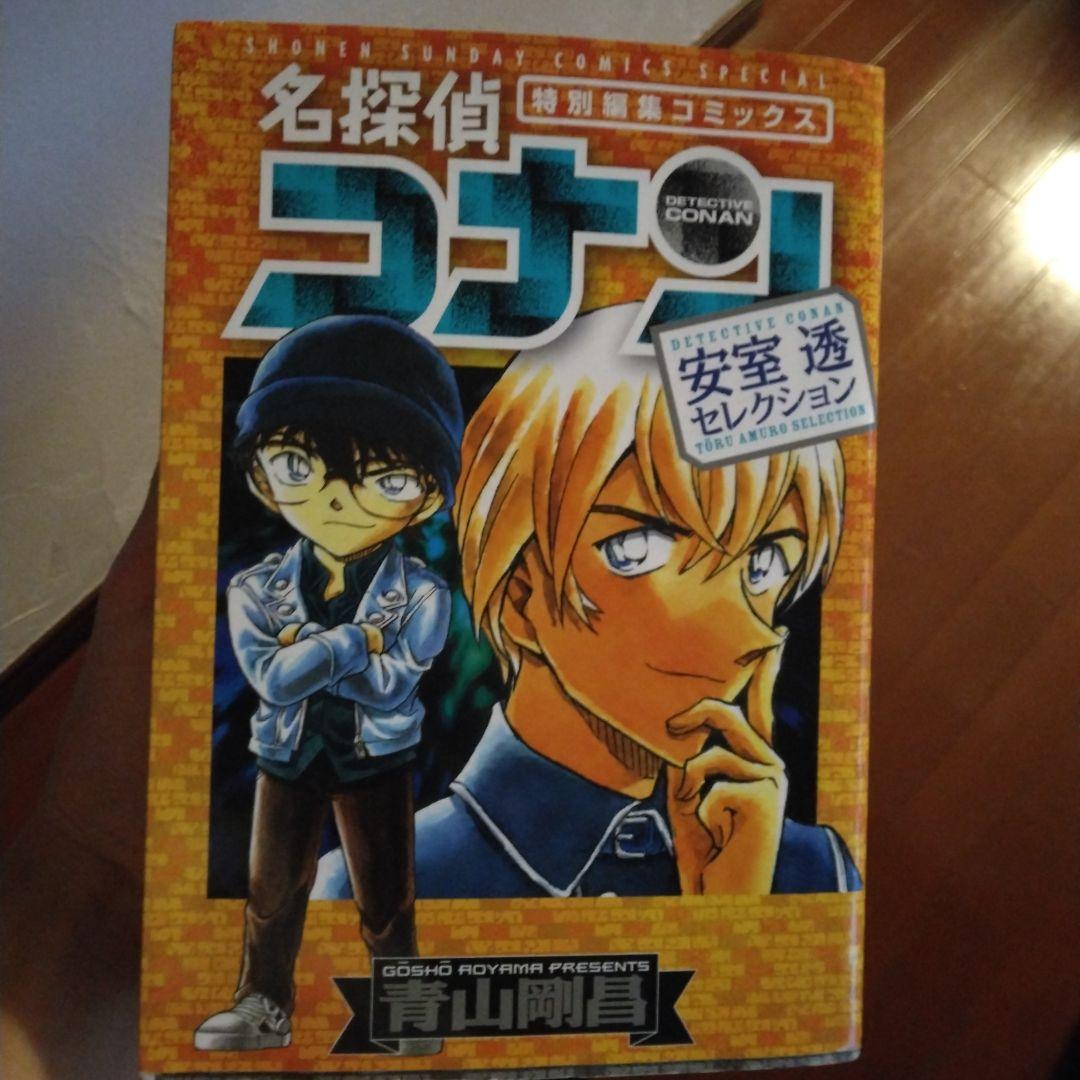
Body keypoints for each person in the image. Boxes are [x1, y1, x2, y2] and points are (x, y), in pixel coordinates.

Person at [314, 303, 860, 902]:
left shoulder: (814, 871)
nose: (744, 633)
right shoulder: (378, 886)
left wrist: (737, 918)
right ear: (520, 593)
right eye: (636, 548)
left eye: (765, 563)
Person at [193, 315, 461, 1051]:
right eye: (300, 466)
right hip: (287, 755)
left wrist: (313, 653)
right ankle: (262, 1002)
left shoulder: (424, 593)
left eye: (385, 478)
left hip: (376, 759)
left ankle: (402, 1007)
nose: (339, 500)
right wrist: (353, 642)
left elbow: (388, 686)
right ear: (261, 476)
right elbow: (276, 682)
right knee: (271, 889)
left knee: (386, 894)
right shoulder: (257, 589)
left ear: (426, 497)